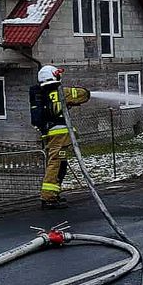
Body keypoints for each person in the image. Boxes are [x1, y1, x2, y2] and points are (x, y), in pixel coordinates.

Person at [33, 65, 90, 208]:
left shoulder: (43, 95)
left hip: (56, 138)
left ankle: (54, 194)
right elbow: (83, 94)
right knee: (56, 163)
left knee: (61, 163)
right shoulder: (61, 92)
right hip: (59, 136)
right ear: (54, 76)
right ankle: (48, 198)